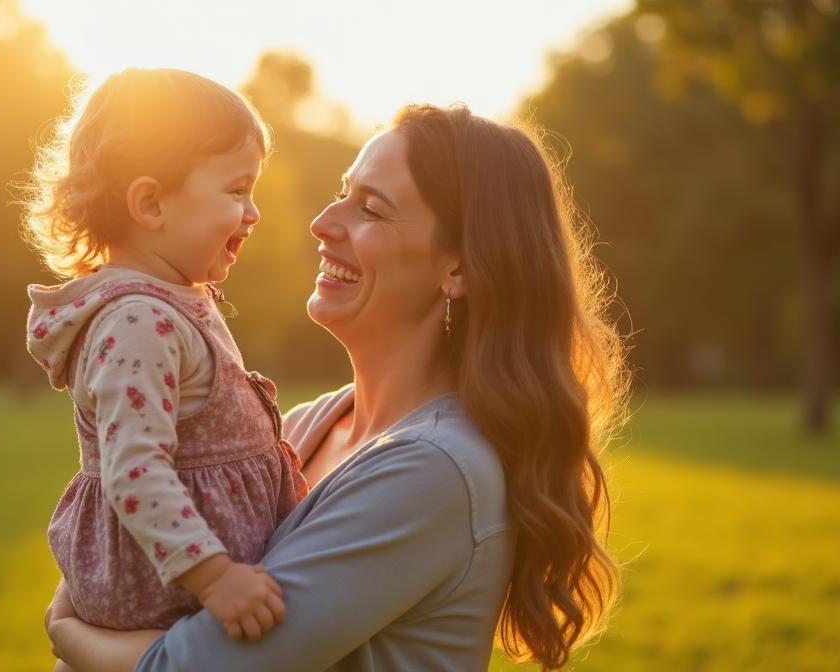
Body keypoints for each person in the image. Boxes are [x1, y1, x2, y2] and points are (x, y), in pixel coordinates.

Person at [46, 102, 630, 672]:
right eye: (342, 191)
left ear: (460, 268)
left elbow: (197, 665)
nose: (322, 223)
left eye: (371, 209)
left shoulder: (434, 470)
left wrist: (69, 632)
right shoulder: (301, 426)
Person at [22, 67, 308, 656]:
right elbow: (135, 469)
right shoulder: (137, 322)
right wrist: (214, 577)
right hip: (166, 597)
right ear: (150, 202)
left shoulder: (176, 302)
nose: (252, 212)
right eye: (236, 191)